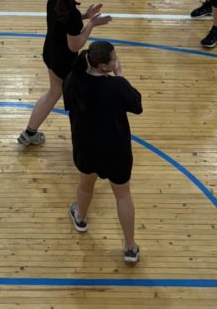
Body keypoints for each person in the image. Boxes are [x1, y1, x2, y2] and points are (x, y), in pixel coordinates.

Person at [63, 41, 142, 264]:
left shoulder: (72, 80)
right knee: (123, 195)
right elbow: (137, 105)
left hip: (86, 147)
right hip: (116, 150)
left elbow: (69, 106)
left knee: (85, 185)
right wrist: (120, 77)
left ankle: (81, 218)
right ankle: (130, 247)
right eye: (114, 59)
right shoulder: (117, 86)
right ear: (104, 66)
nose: (117, 61)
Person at [17, 0, 111, 148]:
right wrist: (91, 24)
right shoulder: (71, 14)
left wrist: (84, 15)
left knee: (53, 93)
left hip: (50, 52)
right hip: (63, 62)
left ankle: (29, 133)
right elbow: (75, 45)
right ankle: (92, 137)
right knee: (82, 95)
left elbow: (65, 20)